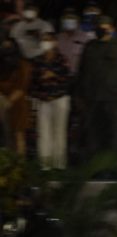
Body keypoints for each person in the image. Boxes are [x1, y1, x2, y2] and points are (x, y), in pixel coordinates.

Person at [75, 15, 117, 157]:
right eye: (99, 27)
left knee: (114, 131)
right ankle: (95, 161)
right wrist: (79, 94)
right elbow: (82, 71)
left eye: (105, 27)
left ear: (112, 29)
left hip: (112, 97)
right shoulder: (89, 46)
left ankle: (112, 162)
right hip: (92, 96)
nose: (102, 30)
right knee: (93, 132)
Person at [29, 29, 71, 170]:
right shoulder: (37, 61)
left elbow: (68, 80)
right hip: (43, 100)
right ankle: (45, 165)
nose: (45, 43)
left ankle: (59, 165)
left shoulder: (62, 59)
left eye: (48, 40)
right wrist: (37, 96)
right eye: (43, 40)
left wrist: (54, 75)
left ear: (55, 42)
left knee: (59, 132)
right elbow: (32, 83)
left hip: (60, 99)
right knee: (44, 133)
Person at [0, 26, 31, 155]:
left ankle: (19, 164)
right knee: (7, 137)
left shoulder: (23, 64)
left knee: (19, 135)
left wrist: (8, 102)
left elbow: (22, 87)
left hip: (18, 105)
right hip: (2, 103)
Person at [56, 8, 93, 76]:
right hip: (59, 75)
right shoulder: (58, 37)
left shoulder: (85, 37)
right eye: (67, 19)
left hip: (77, 75)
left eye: (72, 19)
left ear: (77, 22)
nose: (69, 22)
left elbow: (89, 58)